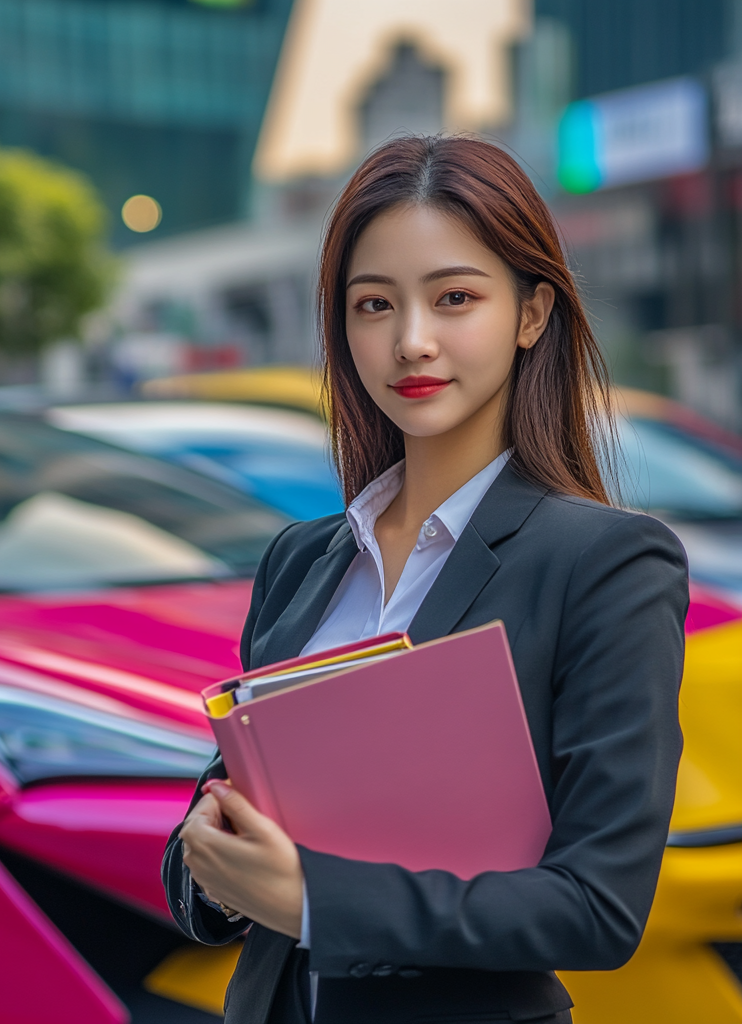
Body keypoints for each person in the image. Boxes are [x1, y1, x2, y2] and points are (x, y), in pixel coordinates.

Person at [162, 135, 688, 1024]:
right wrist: (212, 866)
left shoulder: (609, 566)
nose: (411, 341)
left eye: (454, 298)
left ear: (531, 314)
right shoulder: (303, 559)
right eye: (374, 305)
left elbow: (598, 909)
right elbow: (211, 835)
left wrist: (315, 901)